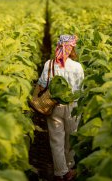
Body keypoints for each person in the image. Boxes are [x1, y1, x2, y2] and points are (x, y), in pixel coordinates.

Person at [37, 34, 84, 181]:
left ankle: (59, 172)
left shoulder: (49, 64)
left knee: (56, 140)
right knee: (71, 139)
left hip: (54, 106)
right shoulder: (77, 67)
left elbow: (42, 85)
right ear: (71, 49)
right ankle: (69, 169)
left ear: (58, 47)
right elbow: (81, 89)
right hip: (72, 107)